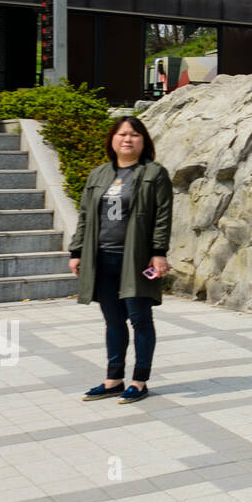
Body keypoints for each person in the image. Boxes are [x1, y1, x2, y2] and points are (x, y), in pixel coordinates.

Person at [69, 116, 173, 404]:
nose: (128, 139)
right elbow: (86, 215)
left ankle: (139, 381)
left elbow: (163, 216)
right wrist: (77, 251)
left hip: (136, 260)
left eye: (135, 135)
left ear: (144, 141)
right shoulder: (98, 174)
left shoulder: (154, 173)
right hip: (101, 258)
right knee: (113, 321)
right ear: (112, 140)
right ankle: (114, 379)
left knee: (140, 319)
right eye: (122, 134)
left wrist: (159, 252)